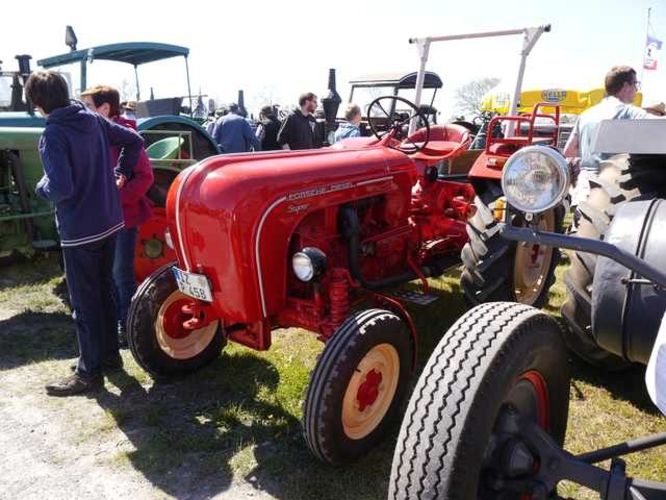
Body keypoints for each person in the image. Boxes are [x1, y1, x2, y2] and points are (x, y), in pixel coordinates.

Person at [25, 71, 144, 396]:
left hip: (80, 230)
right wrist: (120, 172)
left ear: (38, 102)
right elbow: (134, 141)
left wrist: (40, 187)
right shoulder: (91, 119)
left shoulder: (53, 133)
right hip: (110, 221)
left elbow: (60, 187)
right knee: (105, 292)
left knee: (84, 302)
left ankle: (89, 372)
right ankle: (109, 358)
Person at [81, 85, 154, 347]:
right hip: (99, 216)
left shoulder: (126, 137)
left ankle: (128, 326)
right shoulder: (91, 135)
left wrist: (115, 199)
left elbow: (145, 177)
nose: (84, 111)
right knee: (105, 275)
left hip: (123, 217)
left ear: (104, 109)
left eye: (88, 106)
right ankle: (111, 325)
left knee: (121, 274)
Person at [563, 66, 650, 208]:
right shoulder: (631, 113)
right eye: (635, 84)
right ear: (626, 86)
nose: (636, 89)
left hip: (584, 191)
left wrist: (593, 151)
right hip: (613, 192)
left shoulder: (586, 115)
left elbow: (569, 150)